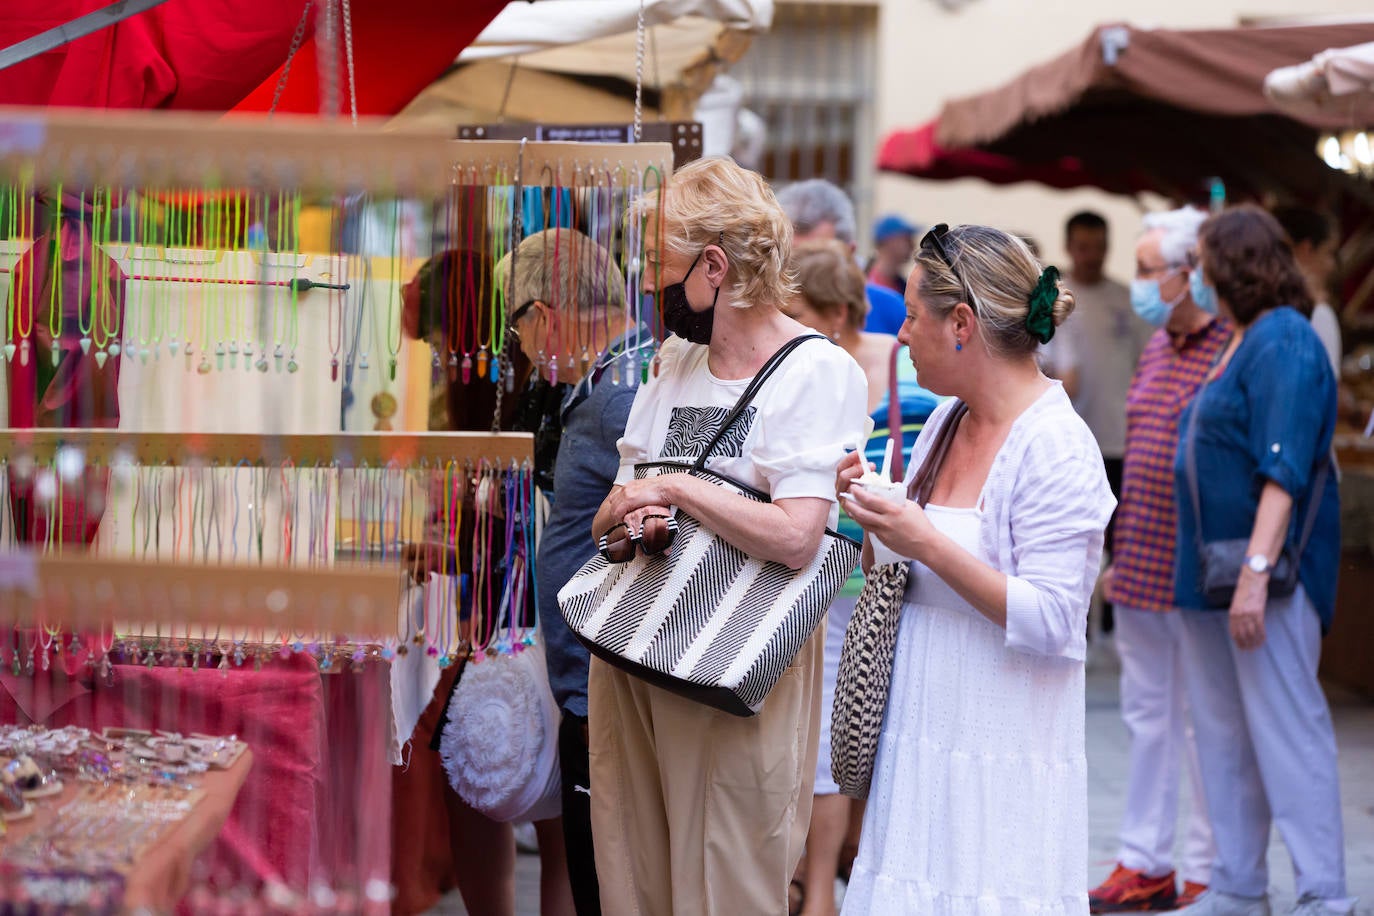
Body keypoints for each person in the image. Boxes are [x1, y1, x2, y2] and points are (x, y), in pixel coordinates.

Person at [587, 157, 869, 915]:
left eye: (657, 266)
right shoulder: (673, 363)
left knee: (731, 873)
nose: (646, 284)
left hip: (733, 663)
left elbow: (797, 536)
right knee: (632, 867)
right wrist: (635, 514)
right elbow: (608, 508)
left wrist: (677, 487)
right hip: (637, 643)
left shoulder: (817, 371)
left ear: (714, 265)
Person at [837, 224, 1115, 913]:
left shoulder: (1055, 446)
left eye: (909, 315)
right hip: (921, 745)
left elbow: (1054, 620)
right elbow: (893, 570)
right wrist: (876, 514)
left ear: (961, 323)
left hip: (1002, 762)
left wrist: (924, 539)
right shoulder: (945, 424)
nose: (900, 335)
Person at [1168, 206, 1352, 916]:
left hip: (1263, 576)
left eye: (1204, 259)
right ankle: (1239, 885)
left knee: (1285, 726)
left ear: (1233, 264)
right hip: (1209, 578)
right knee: (1222, 732)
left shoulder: (1284, 339)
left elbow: (1285, 467)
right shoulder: (1239, 339)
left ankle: (1323, 893)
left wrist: (1253, 572)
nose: (1197, 275)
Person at [782, 239, 940, 916]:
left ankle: (846, 883)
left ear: (837, 314)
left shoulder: (906, 370)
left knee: (871, 729)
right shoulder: (811, 367)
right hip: (825, 575)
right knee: (829, 739)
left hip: (885, 576)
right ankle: (821, 891)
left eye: (800, 315)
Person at [500, 228, 652, 916]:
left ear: (544, 316)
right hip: (598, 686)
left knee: (608, 883)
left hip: (606, 689)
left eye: (520, 330)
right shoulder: (619, 380)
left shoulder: (618, 393)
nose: (524, 351)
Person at [1088, 207, 1224, 913]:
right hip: (1141, 560)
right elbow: (1139, 459)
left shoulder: (1229, 348)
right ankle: (1144, 860)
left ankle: (1205, 865)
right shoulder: (1158, 347)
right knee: (1147, 718)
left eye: (1148, 271)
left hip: (1199, 570)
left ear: (1190, 274)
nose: (1141, 284)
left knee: (1203, 721)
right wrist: (1118, 553)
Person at [1040, 210, 1152, 634]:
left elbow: (1147, 365)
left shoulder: (1128, 301)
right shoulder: (1051, 299)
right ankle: (1077, 621)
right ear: (1069, 247)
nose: (1091, 256)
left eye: (1099, 247)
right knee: (1076, 537)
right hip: (1071, 443)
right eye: (1083, 247)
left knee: (1123, 540)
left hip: (1123, 440)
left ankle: (1120, 626)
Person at [776, 179, 907, 335]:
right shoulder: (761, 315)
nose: (798, 276)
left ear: (849, 254)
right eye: (789, 260)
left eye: (816, 263)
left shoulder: (891, 311)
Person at [1271, 206, 1342, 378]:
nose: (1331, 266)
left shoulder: (1252, 309)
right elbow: (1325, 390)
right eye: (1329, 253)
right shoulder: (1318, 313)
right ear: (1306, 249)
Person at [866, 213, 918, 297]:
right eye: (907, 239)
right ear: (889, 241)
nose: (913, 245)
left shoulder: (904, 287)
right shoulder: (864, 283)